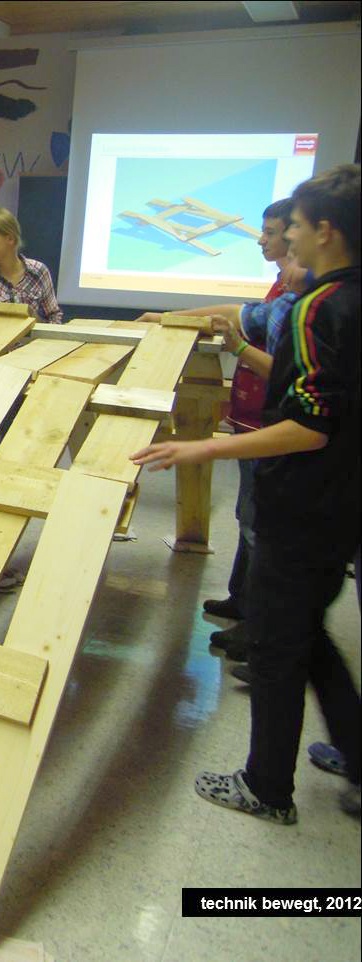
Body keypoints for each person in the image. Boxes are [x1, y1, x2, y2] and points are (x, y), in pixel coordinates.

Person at [131, 164, 361, 822]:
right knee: (307, 635)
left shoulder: (319, 307)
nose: (288, 237)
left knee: (277, 648)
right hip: (341, 503)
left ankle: (266, 788)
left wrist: (203, 447)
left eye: (296, 225)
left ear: (326, 231)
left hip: (304, 503)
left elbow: (311, 426)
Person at [0, 207, 62, 323]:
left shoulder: (38, 271)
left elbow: (54, 316)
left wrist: (35, 321)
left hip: (34, 335)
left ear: (10, 238)